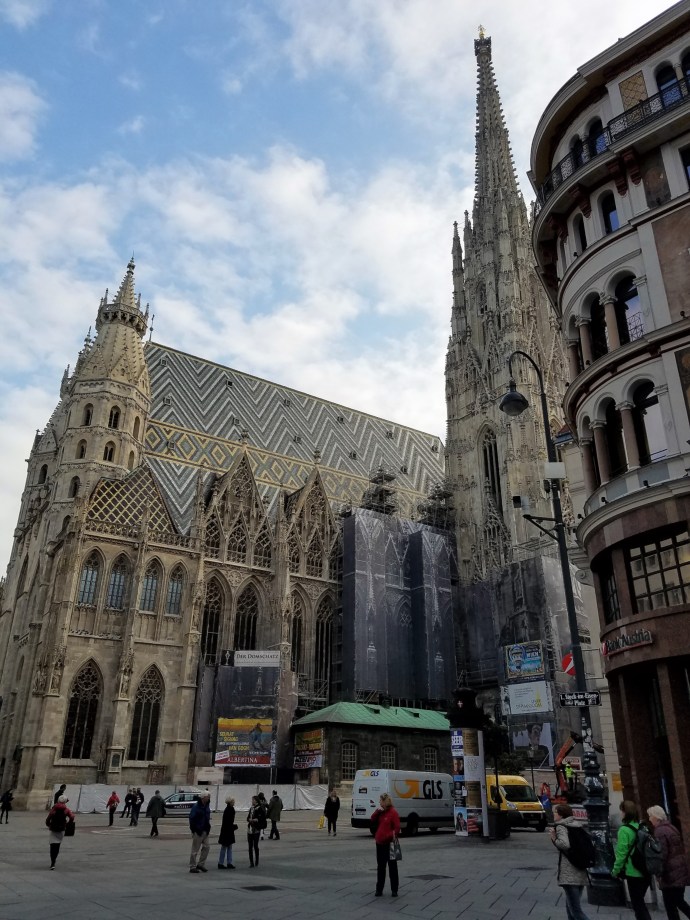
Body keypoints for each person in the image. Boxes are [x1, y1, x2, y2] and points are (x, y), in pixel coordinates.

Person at [550, 802, 592, 920]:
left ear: (561, 814)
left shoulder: (561, 826)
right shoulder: (576, 825)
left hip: (569, 872)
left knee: (575, 911)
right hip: (580, 870)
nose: (553, 815)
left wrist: (554, 839)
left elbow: (564, 844)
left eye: (555, 812)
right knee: (571, 909)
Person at [647, 805, 690, 920]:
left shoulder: (659, 831)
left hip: (670, 873)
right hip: (679, 870)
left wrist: (658, 874)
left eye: (650, 816)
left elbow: (661, 854)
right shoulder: (671, 827)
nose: (649, 819)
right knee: (678, 901)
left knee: (672, 905)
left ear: (656, 817)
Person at [611, 800, 651, 920]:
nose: (621, 813)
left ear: (625, 812)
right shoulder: (641, 827)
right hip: (646, 869)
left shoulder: (624, 830)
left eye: (622, 811)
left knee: (638, 905)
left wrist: (615, 870)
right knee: (640, 903)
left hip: (633, 871)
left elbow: (621, 854)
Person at [370, 792, 401, 897]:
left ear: (385, 801)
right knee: (381, 867)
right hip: (380, 843)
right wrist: (377, 812)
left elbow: (397, 828)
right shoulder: (381, 812)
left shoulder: (393, 812)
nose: (379, 802)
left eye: (380, 801)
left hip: (391, 843)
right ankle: (379, 889)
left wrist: (388, 835)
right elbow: (372, 819)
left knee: (392, 867)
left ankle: (394, 889)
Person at [45, 794, 74, 869]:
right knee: (57, 845)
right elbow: (72, 816)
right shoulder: (66, 810)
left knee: (52, 846)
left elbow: (48, 819)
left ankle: (52, 862)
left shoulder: (54, 809)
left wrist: (49, 825)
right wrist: (68, 823)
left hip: (53, 829)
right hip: (61, 830)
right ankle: (54, 861)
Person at [189, 792, 211, 873]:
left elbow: (207, 817)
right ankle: (192, 866)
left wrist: (208, 827)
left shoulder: (207, 806)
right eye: (208, 796)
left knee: (207, 847)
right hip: (198, 831)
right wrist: (194, 830)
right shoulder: (196, 807)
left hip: (205, 830)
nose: (209, 798)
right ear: (203, 797)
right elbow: (191, 818)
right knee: (195, 850)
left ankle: (201, 864)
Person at [218, 795, 236, 869]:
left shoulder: (228, 809)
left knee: (226, 846)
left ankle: (223, 862)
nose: (234, 802)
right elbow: (228, 822)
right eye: (233, 801)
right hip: (228, 830)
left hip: (226, 830)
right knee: (227, 847)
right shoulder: (230, 810)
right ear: (230, 802)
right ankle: (226, 862)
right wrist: (233, 827)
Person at [247, 794, 265, 867]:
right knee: (250, 846)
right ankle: (251, 862)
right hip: (250, 829)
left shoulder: (259, 808)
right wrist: (249, 819)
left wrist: (256, 819)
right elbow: (247, 817)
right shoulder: (251, 808)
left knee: (255, 846)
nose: (252, 801)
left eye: (253, 800)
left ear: (256, 801)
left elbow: (262, 818)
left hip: (256, 829)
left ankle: (257, 860)